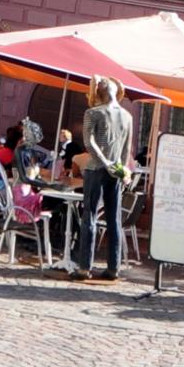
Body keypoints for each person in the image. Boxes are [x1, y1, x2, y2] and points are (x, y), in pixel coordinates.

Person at [71, 77, 134, 283]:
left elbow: (89, 142)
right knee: (114, 218)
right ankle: (113, 268)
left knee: (89, 216)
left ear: (99, 93)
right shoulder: (127, 116)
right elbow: (126, 149)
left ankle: (84, 267)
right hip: (115, 171)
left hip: (95, 169)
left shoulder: (93, 113)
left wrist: (105, 162)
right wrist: (120, 169)